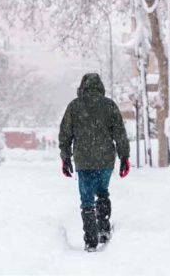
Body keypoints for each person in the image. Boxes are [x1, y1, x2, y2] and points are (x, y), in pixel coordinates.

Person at [58, 73, 130, 252]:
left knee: (87, 200)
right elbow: (120, 134)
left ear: (83, 87)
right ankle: (103, 229)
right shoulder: (109, 106)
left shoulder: (74, 107)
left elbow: (65, 135)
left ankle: (90, 239)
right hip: (105, 160)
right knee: (102, 192)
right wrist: (124, 157)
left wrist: (65, 157)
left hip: (84, 160)